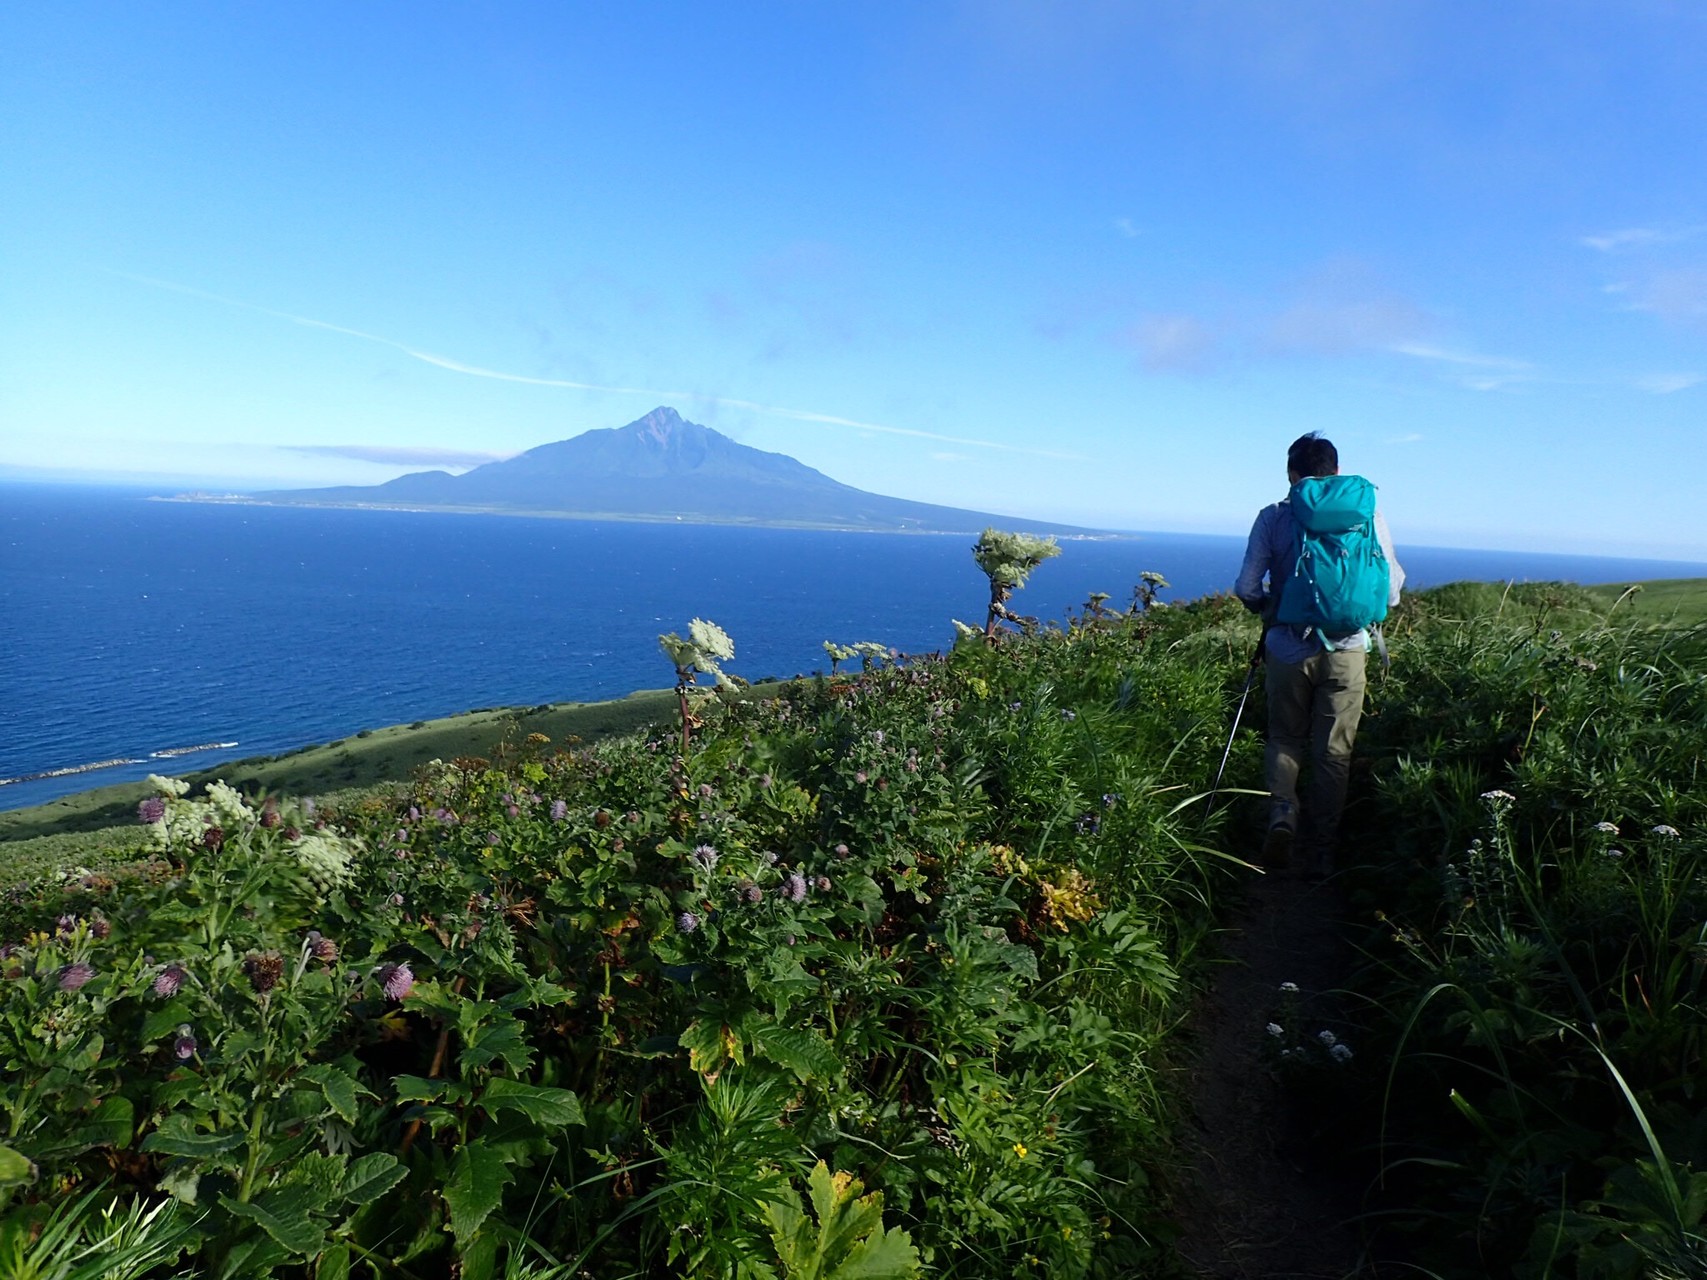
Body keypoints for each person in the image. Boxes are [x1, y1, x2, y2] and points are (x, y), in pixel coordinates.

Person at [1234, 432, 1404, 878]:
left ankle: (1282, 817)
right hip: (1348, 647)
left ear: (1292, 475)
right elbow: (1390, 589)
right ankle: (1323, 845)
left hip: (1288, 647)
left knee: (1285, 737)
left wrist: (1269, 608)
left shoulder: (1274, 517)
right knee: (1334, 752)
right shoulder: (1369, 516)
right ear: (1336, 470)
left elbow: (1247, 587)